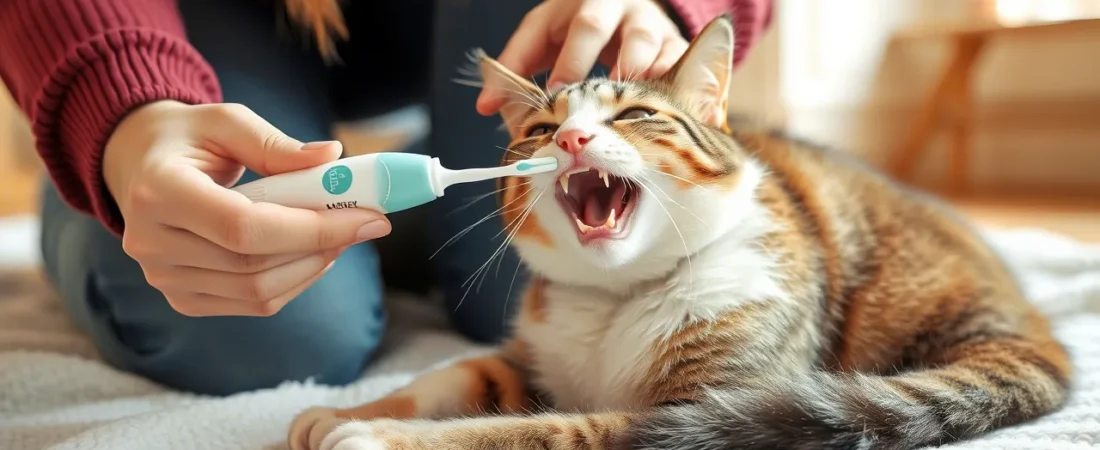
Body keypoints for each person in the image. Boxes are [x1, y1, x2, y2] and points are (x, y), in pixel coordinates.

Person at [0, 0, 774, 396]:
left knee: (516, 295)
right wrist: (122, 116)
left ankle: (390, 210)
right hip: (191, 20)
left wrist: (671, 11)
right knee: (273, 334)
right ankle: (84, 201)